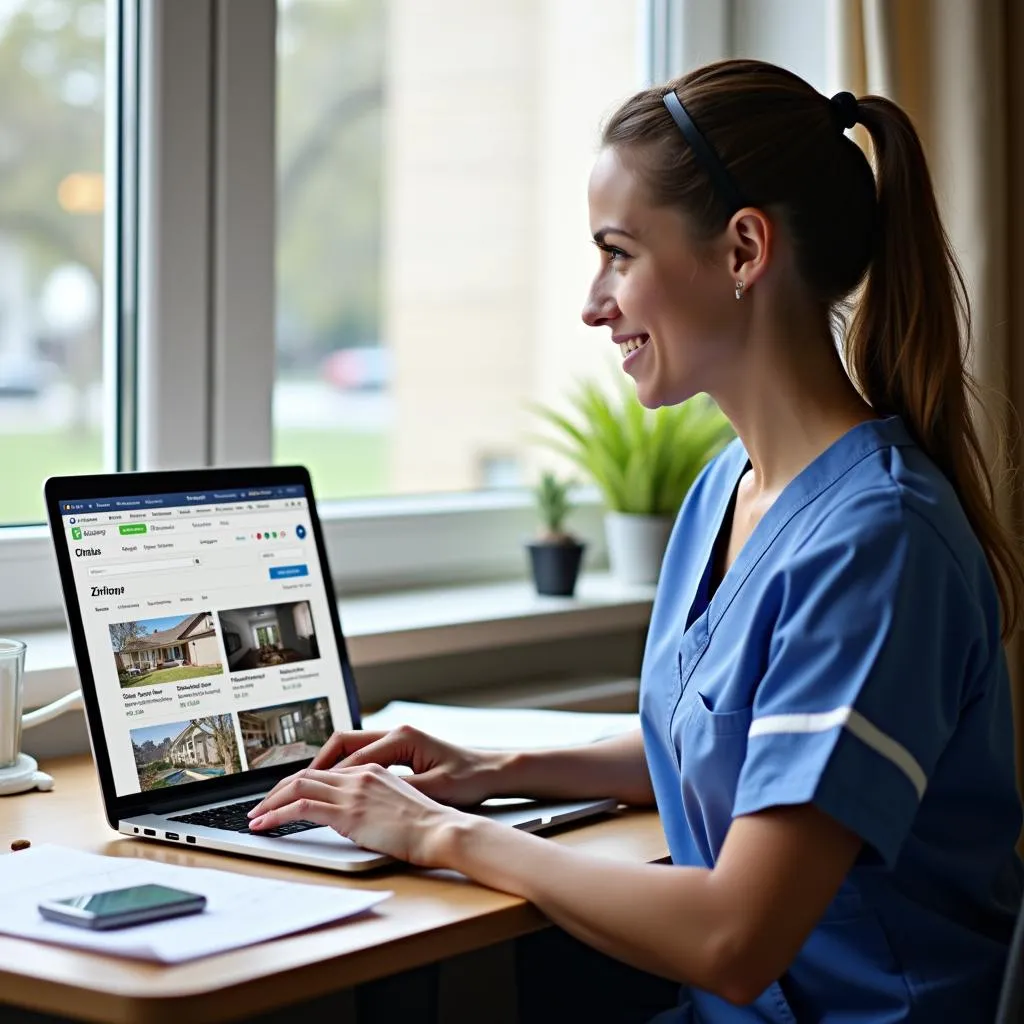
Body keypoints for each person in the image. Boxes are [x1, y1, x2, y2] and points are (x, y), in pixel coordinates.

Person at [248, 58, 1024, 1022]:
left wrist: (441, 834)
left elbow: (734, 939)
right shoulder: (723, 493)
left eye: (619, 252)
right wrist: (493, 771)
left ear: (744, 250)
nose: (593, 300)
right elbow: (729, 742)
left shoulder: (877, 544)